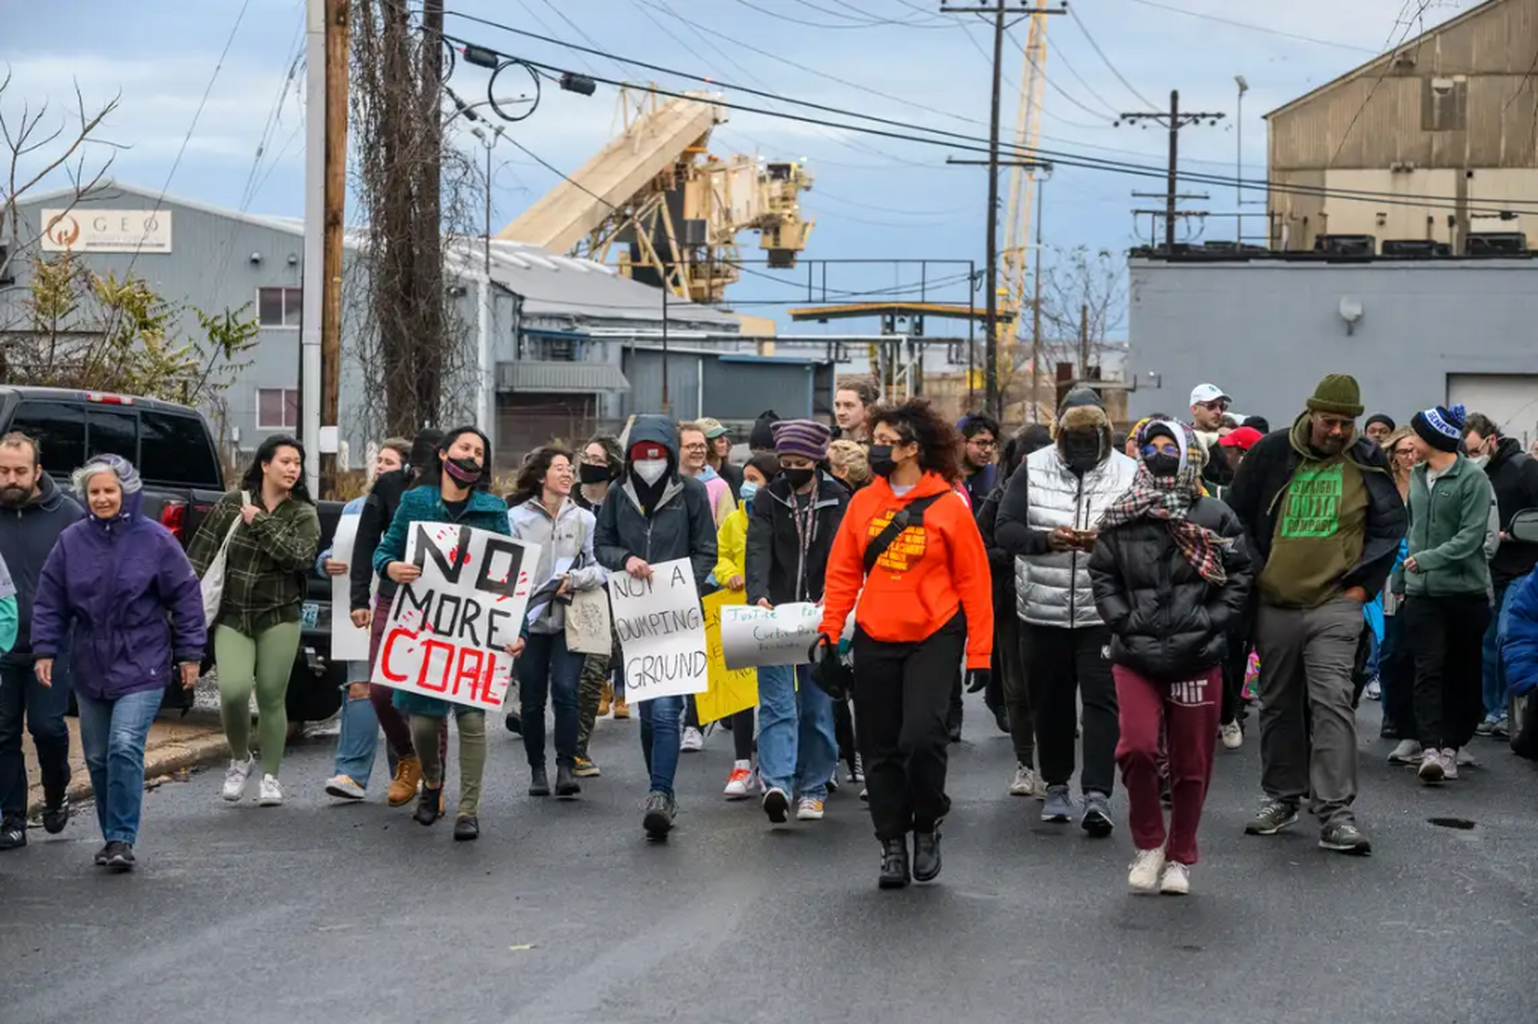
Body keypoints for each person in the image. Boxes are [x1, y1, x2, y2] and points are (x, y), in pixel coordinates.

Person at [817, 398, 993, 889]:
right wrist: (830, 634)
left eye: (884, 443)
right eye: (873, 441)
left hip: (934, 633)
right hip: (876, 633)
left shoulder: (948, 507)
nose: (875, 450)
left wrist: (980, 651)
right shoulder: (864, 503)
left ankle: (928, 820)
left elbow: (975, 582)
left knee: (921, 737)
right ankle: (891, 841)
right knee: (880, 746)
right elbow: (843, 573)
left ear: (913, 448)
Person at [1227, 375, 1406, 855]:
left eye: (1347, 423)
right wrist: (1258, 574)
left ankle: (1335, 813)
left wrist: (1361, 587)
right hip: (1277, 602)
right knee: (1279, 704)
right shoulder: (1270, 452)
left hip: (1335, 605)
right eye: (1330, 422)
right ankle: (1282, 797)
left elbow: (1390, 524)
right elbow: (1236, 515)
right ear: (1311, 414)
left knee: (1332, 701)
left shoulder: (1367, 459)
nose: (1338, 432)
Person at [1090, 422, 1253, 896]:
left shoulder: (1216, 515)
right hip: (1135, 654)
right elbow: (1103, 574)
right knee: (1136, 748)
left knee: (1191, 763)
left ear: (1189, 456)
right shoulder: (1122, 514)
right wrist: (1123, 620)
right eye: (1152, 447)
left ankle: (1181, 855)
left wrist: (1209, 620)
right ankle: (1149, 844)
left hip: (1196, 655)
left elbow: (1241, 574)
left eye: (1170, 447)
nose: (1160, 455)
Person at [30, 455, 205, 872]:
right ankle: (111, 836)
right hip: (90, 664)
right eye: (95, 492)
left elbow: (185, 596)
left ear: (125, 490)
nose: (103, 498)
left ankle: (122, 837)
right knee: (97, 757)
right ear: (85, 495)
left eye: (110, 490)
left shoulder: (156, 540)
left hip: (143, 660)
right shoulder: (71, 541)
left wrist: (190, 653)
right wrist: (45, 649)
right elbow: (50, 599)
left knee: (124, 745)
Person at [995, 388, 1138, 835]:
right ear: (1059, 434)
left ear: (1103, 434)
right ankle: (1056, 785)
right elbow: (1005, 529)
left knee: (1101, 703)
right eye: (1071, 437)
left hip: (1101, 611)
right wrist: (1046, 540)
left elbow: (1144, 536)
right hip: (1041, 610)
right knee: (1049, 704)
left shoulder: (1129, 472)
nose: (1079, 446)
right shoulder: (1032, 469)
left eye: (1088, 437)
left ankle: (1098, 794)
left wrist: (1106, 542)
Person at [373, 426, 518, 841]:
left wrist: (516, 629)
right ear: (442, 454)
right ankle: (433, 784)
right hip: (424, 630)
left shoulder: (493, 510)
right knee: (423, 723)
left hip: (474, 634)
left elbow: (509, 577)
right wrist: (390, 568)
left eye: (478, 451)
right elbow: (386, 549)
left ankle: (468, 810)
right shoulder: (416, 501)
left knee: (472, 721)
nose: (471, 456)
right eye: (464, 448)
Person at [594, 415, 718, 838]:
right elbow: (602, 544)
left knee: (667, 709)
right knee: (649, 712)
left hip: (678, 614)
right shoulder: (616, 494)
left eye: (657, 455)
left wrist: (685, 587)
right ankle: (659, 789)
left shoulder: (693, 493)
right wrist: (624, 560)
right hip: (635, 615)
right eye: (641, 456)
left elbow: (707, 551)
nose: (650, 463)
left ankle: (660, 792)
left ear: (669, 454)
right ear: (630, 458)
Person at [189, 434, 321, 809]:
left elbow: (298, 557)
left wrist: (261, 523)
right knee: (231, 692)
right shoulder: (232, 504)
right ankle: (239, 759)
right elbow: (199, 555)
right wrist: (180, 605)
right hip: (233, 613)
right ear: (265, 465)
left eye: (297, 463)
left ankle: (271, 776)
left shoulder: (303, 513)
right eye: (285, 461)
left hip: (279, 614)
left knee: (270, 695)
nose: (293, 469)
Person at [746, 421, 846, 824]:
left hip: (821, 615)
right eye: (784, 462)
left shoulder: (840, 497)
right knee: (775, 704)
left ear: (817, 461)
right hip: (775, 614)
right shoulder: (769, 497)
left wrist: (833, 593)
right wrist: (758, 593)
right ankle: (778, 783)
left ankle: (814, 788)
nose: (791, 469)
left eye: (800, 462)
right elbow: (757, 547)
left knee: (817, 706)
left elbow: (844, 550)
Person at [348, 429, 446, 807]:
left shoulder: (457, 490)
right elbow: (366, 542)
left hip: (442, 605)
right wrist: (360, 597)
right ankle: (407, 756)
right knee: (380, 690)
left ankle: (435, 783)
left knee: (434, 695)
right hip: (393, 597)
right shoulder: (388, 486)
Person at [506, 446, 608, 800]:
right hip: (528, 623)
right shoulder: (515, 519)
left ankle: (566, 765)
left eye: (570, 469)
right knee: (532, 699)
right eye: (560, 468)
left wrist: (575, 579)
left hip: (569, 620)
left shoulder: (584, 520)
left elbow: (600, 569)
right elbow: (504, 569)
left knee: (567, 691)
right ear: (540, 476)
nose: (568, 474)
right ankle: (537, 768)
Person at [1402, 405, 1497, 783]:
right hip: (1421, 593)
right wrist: (1402, 575)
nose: (1411, 443)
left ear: (1435, 439)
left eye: (1418, 436)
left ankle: (1451, 747)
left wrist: (1426, 559)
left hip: (1463, 592)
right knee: (1427, 668)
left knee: (1461, 671)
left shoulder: (1473, 479)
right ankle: (1428, 748)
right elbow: (1412, 529)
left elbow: (1472, 537)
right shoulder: (1416, 476)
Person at [0, 432, 83, 850]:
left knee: (48, 728)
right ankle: (12, 817)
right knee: (3, 733)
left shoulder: (67, 515)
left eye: (19, 471)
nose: (10, 479)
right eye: (2, 471)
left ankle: (55, 790)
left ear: (37, 471)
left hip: (52, 646)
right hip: (1, 648)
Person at [319, 438, 411, 801]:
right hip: (362, 611)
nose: (380, 468)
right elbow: (339, 548)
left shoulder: (418, 505)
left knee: (397, 694)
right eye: (379, 461)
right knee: (361, 687)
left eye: (389, 462)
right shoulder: (356, 508)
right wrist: (325, 561)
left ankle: (404, 770)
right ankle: (350, 775)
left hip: (405, 610)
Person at [978, 424, 1053, 797]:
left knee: (1050, 687)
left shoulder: (1063, 495)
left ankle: (1053, 770)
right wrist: (1016, 551)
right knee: (1016, 687)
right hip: (1012, 601)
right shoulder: (1000, 496)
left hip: (1054, 602)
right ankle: (1025, 764)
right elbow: (979, 548)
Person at [1463, 412, 1538, 738]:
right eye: (1466, 453)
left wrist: (1514, 534)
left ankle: (1513, 711)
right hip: (1486, 569)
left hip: (1522, 567)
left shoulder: (1524, 468)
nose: (1471, 458)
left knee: (1509, 635)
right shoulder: (1468, 474)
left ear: (1491, 440)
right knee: (1486, 642)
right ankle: (1492, 710)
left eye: (1476, 451)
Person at [713, 452, 780, 798]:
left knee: (774, 695)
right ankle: (742, 764)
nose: (747, 487)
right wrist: (729, 574)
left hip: (772, 613)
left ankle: (771, 765)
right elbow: (719, 556)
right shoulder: (733, 522)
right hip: (738, 611)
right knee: (740, 694)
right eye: (746, 480)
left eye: (755, 480)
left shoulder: (780, 516)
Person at [573, 435, 627, 770]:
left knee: (594, 670)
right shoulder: (568, 499)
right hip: (567, 594)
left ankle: (578, 747)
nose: (588, 463)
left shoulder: (623, 503)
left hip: (610, 595)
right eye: (585, 456)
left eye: (597, 459)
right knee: (567, 675)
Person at [1215, 424, 1264, 747]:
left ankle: (1238, 711)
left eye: (1231, 448)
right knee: (1227, 648)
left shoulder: (1265, 490)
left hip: (1258, 580)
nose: (1225, 452)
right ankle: (1229, 712)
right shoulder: (1221, 490)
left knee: (1248, 649)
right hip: (1229, 580)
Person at [678, 422, 736, 530]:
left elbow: (729, 531)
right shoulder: (666, 483)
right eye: (691, 446)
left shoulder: (719, 486)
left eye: (702, 446)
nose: (698, 451)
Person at [1189, 383, 1234, 488]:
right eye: (1211, 406)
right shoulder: (1185, 442)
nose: (1218, 412)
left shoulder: (1227, 443)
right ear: (1194, 409)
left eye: (1222, 407)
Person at [959, 413, 1001, 509]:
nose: (988, 450)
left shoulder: (997, 478)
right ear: (962, 442)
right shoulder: (947, 480)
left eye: (991, 444)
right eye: (981, 443)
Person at [698, 417, 744, 499]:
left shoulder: (737, 474)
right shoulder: (693, 477)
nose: (723, 440)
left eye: (723, 435)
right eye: (715, 437)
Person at [833, 378, 879, 444]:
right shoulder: (825, 440)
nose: (840, 412)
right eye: (837, 405)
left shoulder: (879, 444)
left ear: (867, 409)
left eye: (848, 405)